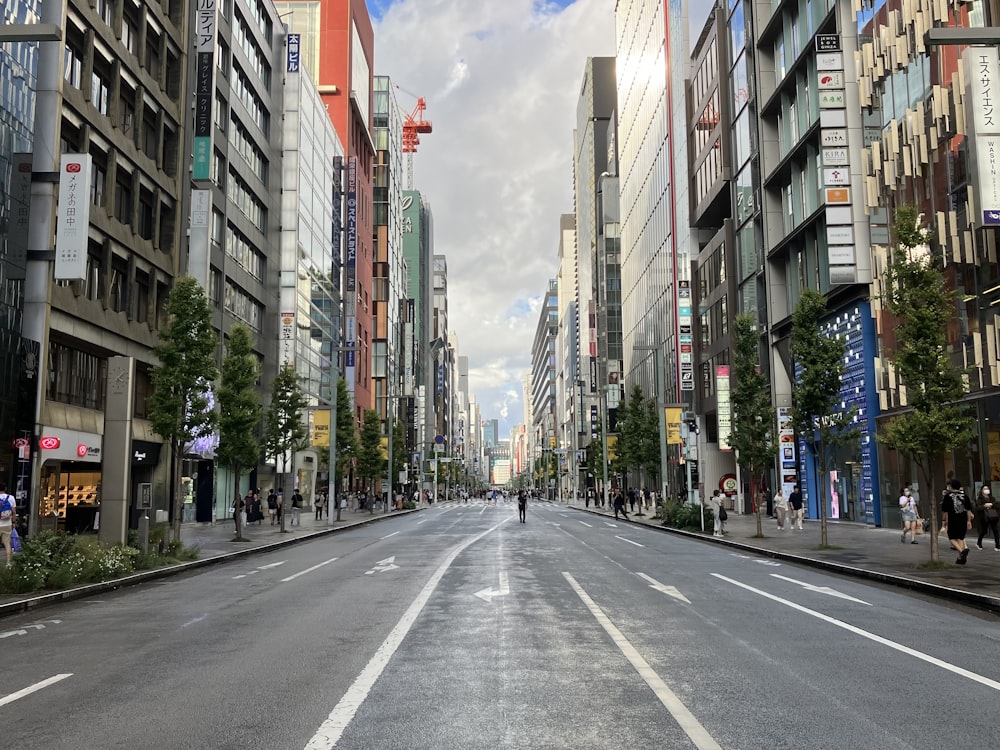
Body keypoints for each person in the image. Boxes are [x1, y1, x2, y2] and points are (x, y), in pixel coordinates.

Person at [941, 479, 974, 564]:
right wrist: (969, 521)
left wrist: (944, 520)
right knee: (960, 537)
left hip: (953, 519)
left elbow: (945, 510)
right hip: (963, 519)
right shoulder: (965, 496)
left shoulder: (948, 496)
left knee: (951, 537)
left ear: (951, 486)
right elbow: (968, 509)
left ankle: (962, 551)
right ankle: (961, 558)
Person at [975, 483, 999, 551]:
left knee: (996, 530)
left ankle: (997, 545)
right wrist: (984, 506)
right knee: (983, 531)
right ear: (982, 490)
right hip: (984, 517)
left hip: (993, 516)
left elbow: (997, 505)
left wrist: (991, 505)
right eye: (985, 489)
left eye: (987, 489)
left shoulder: (992, 498)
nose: (986, 490)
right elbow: (977, 507)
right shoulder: (979, 499)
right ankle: (979, 543)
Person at [0, 482, 17, 565]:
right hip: (7, 523)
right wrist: (13, 522)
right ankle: (8, 563)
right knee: (7, 544)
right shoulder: (11, 498)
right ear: (5, 488)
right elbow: (14, 512)